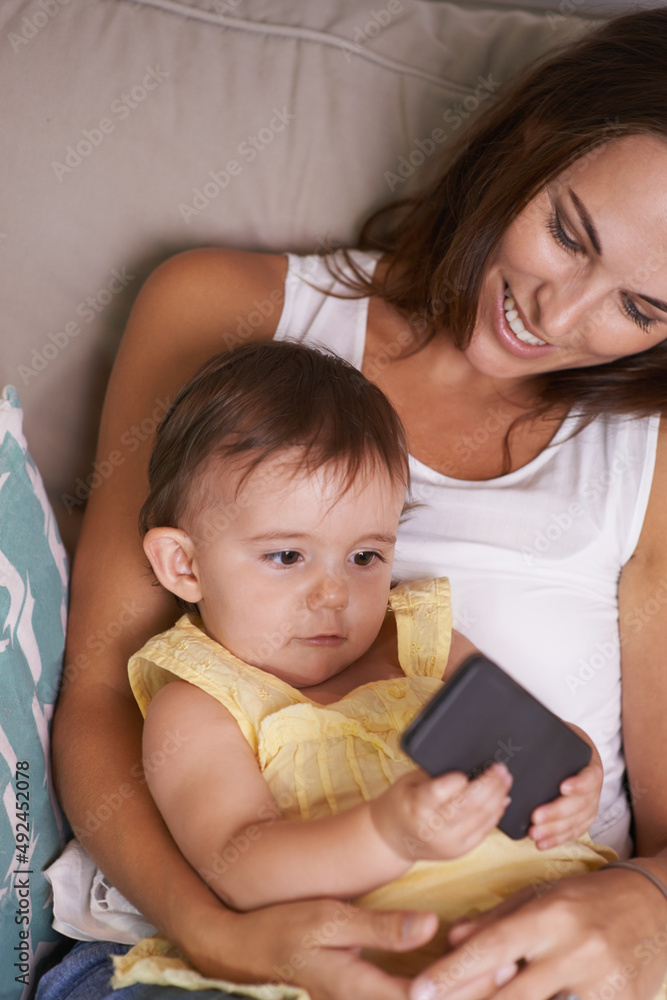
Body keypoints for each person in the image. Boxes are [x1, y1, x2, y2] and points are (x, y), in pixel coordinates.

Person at [45, 8, 667, 1000]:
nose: (559, 314)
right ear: (525, 139)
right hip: (244, 953)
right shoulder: (229, 312)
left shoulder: (645, 452)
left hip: (527, 949)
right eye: (565, 232)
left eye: (640, 309)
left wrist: (640, 903)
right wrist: (220, 937)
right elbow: (94, 705)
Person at [106, 342, 608, 989]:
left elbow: (535, 738)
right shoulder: (200, 703)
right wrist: (385, 837)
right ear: (185, 565)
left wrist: (578, 775)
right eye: (287, 557)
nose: (333, 595)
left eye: (364, 557)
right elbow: (239, 862)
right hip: (394, 964)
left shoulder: (420, 641)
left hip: (559, 931)